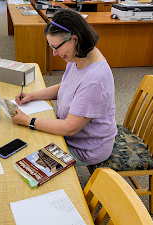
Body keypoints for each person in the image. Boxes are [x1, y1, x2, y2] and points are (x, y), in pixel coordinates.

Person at [12, 9, 117, 166]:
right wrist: (32, 96)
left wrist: (28, 120)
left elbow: (69, 128)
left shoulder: (95, 79)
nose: (54, 54)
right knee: (25, 137)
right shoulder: (79, 55)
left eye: (56, 47)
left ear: (74, 39)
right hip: (72, 134)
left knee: (28, 148)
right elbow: (64, 86)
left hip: (86, 148)